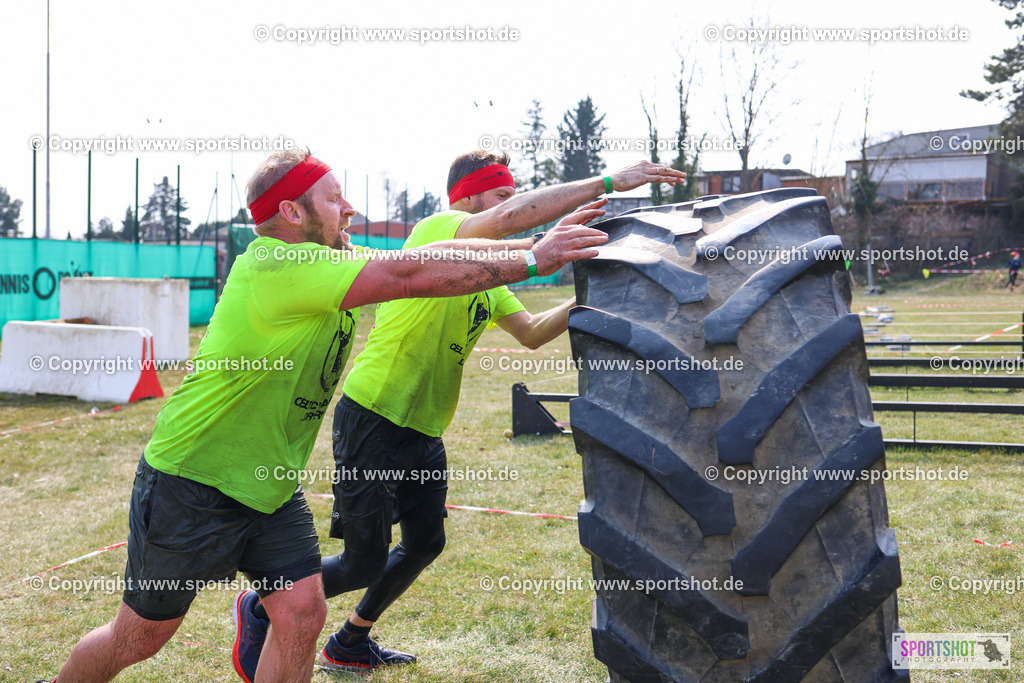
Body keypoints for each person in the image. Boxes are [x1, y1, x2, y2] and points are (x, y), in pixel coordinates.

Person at [44, 148, 608, 683]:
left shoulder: (328, 259)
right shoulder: (277, 263)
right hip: (195, 480)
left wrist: (539, 242)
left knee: (302, 611)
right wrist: (534, 259)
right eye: (335, 198)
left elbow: (418, 260)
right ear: (292, 212)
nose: (350, 208)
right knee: (138, 639)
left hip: (270, 485)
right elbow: (408, 277)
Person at [231, 151, 685, 678]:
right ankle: (260, 605)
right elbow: (504, 225)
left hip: (424, 429)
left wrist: (594, 293)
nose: (512, 206)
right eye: (501, 196)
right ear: (468, 198)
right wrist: (603, 185)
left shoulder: (487, 279)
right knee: (363, 560)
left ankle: (350, 640)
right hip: (374, 414)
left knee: (427, 542)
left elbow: (534, 332)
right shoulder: (438, 228)